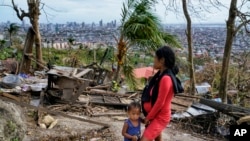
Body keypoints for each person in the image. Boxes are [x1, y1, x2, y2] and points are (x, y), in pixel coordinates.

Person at [140, 46, 177, 141]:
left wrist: (148, 117)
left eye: (155, 58)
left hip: (160, 117)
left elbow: (160, 102)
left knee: (144, 139)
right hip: (155, 115)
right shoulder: (159, 76)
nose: (154, 60)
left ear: (162, 60)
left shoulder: (166, 79)